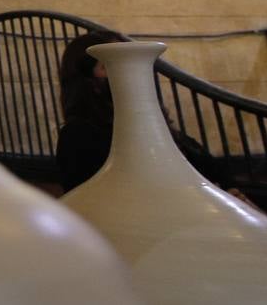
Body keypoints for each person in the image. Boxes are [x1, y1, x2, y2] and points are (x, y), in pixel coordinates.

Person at [55, 30, 230, 192]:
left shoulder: (151, 124)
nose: (128, 72)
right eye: (109, 66)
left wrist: (230, 192)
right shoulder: (78, 135)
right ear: (88, 81)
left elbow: (204, 165)